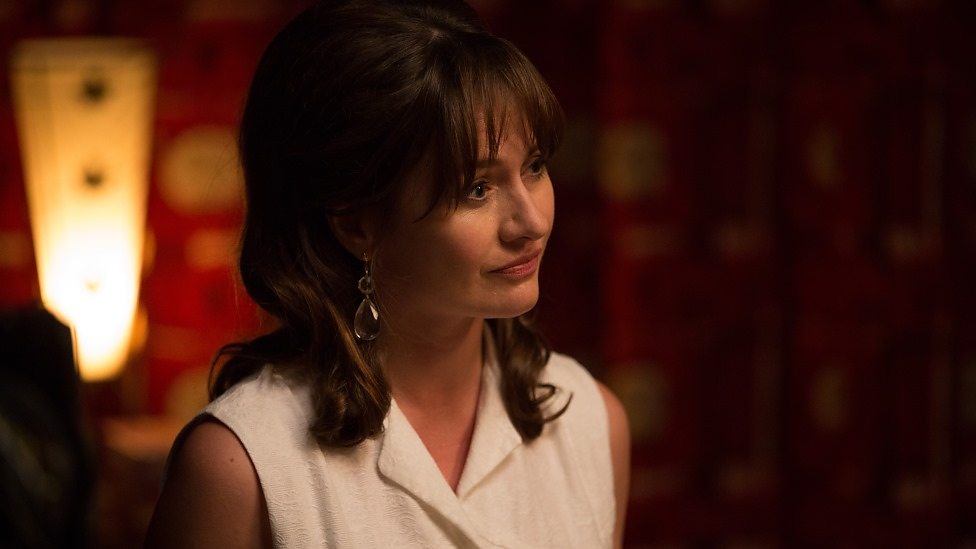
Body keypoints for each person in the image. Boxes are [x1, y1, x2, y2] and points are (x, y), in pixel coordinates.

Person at [145, 0, 630, 547]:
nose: (532, 222)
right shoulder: (240, 467)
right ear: (357, 225)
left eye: (535, 167)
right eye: (477, 189)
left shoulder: (590, 421)